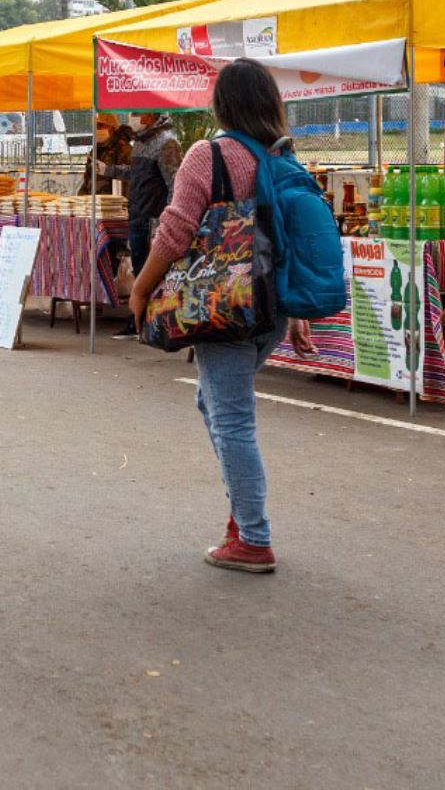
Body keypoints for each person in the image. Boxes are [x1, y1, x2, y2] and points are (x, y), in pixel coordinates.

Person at [128, 59, 295, 575]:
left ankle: (252, 538)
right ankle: (241, 516)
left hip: (223, 306)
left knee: (231, 418)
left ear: (221, 104)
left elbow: (175, 232)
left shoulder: (209, 154)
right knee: (213, 402)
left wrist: (140, 289)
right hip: (272, 307)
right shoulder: (283, 156)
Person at [99, 112, 182, 338]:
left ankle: (149, 323)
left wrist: (167, 221)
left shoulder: (167, 143)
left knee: (149, 272)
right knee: (139, 268)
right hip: (137, 215)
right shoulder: (141, 142)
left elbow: (175, 184)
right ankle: (141, 321)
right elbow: (135, 174)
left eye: (137, 112)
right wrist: (109, 171)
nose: (132, 116)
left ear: (151, 114)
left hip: (153, 220)